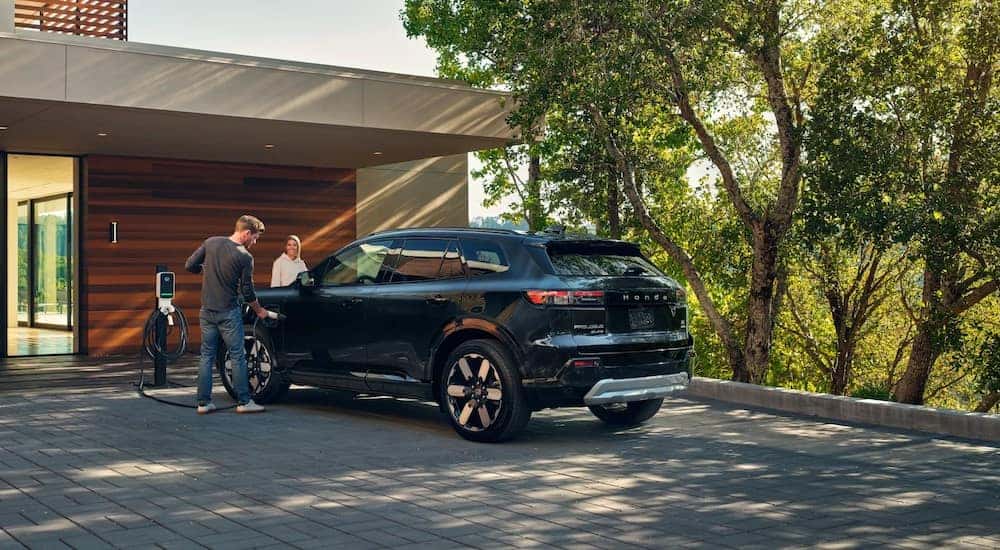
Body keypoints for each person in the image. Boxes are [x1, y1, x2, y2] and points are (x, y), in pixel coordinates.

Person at [185, 214, 274, 414]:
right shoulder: (244, 257)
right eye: (255, 238)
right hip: (228, 313)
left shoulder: (211, 242)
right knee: (237, 356)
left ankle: (203, 403)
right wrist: (259, 310)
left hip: (207, 311)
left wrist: (205, 270)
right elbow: (247, 291)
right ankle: (244, 402)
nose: (255, 242)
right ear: (246, 233)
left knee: (206, 356)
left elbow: (189, 265)